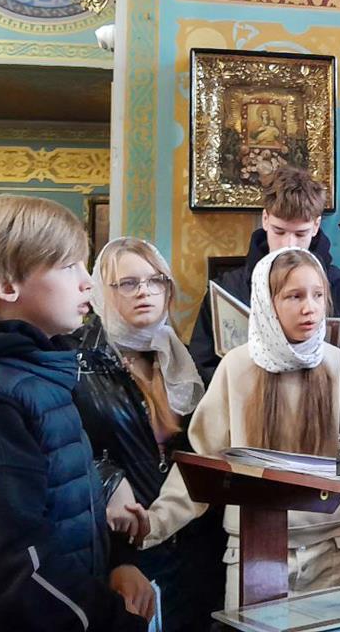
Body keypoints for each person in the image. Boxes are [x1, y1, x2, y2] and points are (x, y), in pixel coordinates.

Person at [140, 248, 340, 607]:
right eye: (294, 296)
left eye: (318, 295)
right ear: (267, 302)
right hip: (252, 552)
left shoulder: (339, 366)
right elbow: (202, 466)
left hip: (333, 553)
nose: (310, 308)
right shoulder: (236, 367)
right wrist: (152, 524)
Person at [0, 196, 153, 630]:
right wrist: (114, 622)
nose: (88, 282)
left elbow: (64, 497)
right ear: (7, 285)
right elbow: (17, 571)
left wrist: (116, 562)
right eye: (69, 266)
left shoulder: (39, 375)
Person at [58, 237, 222, 632]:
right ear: (101, 291)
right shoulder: (75, 361)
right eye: (128, 283)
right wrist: (110, 480)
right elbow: (63, 451)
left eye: (155, 280)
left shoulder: (180, 357)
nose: (145, 291)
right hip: (118, 546)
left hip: (191, 548)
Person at [189, 165, 340, 380]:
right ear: (265, 219)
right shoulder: (228, 289)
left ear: (316, 226)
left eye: (300, 234)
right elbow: (202, 363)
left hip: (320, 397)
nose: (289, 244)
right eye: (279, 231)